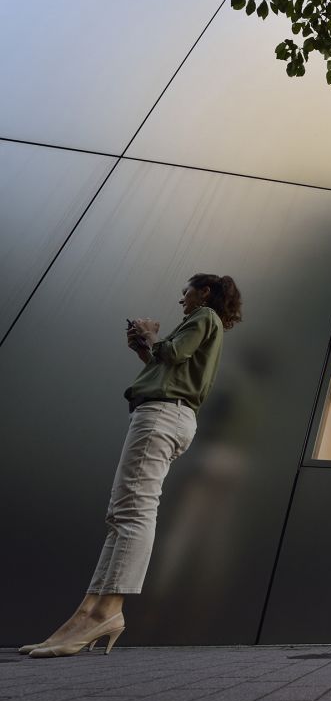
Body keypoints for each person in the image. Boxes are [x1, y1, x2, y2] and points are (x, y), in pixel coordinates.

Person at [20, 274, 243, 658]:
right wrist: (146, 350)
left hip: (162, 414)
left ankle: (107, 611)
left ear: (205, 292)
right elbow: (169, 363)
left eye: (186, 291)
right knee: (121, 514)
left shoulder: (204, 316)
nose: (181, 300)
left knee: (134, 512)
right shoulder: (203, 324)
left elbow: (171, 354)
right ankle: (87, 612)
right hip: (165, 415)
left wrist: (152, 335)